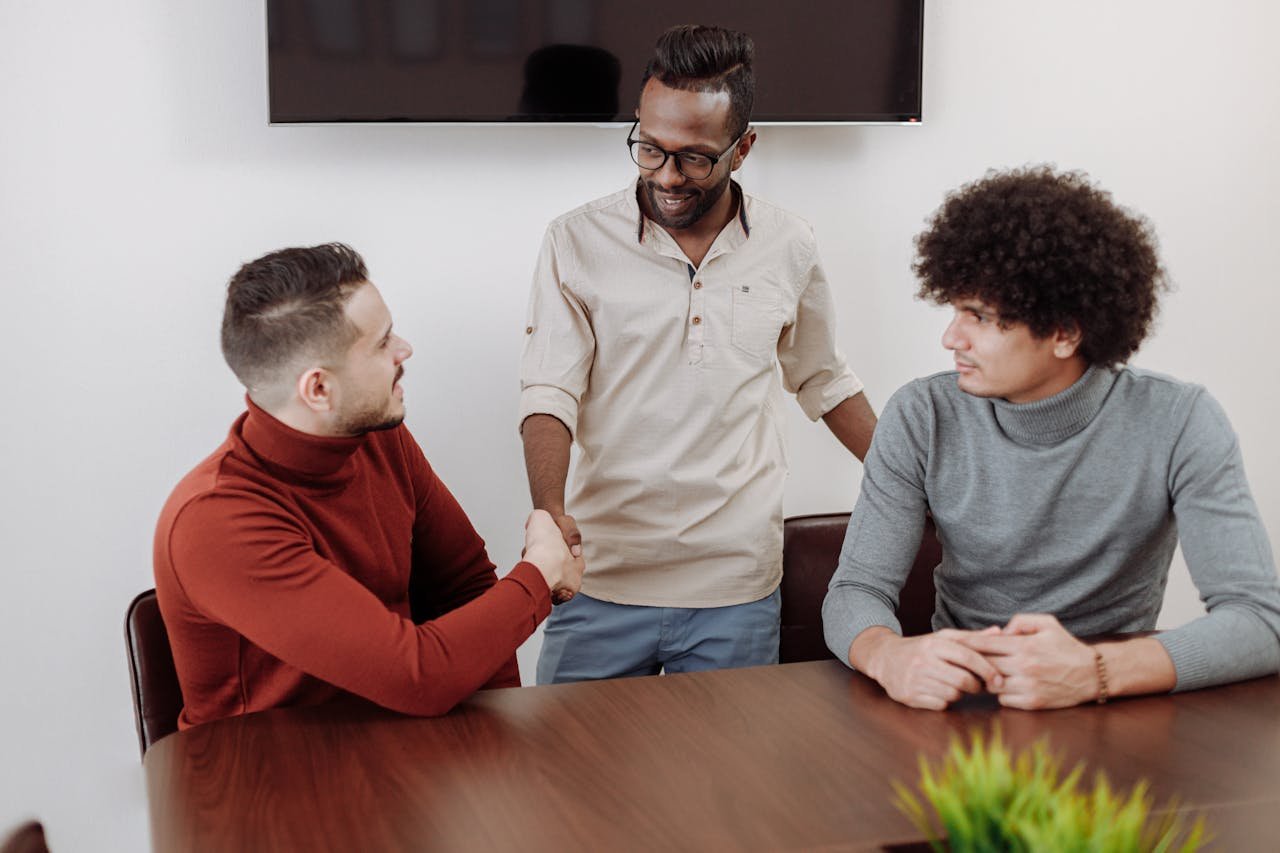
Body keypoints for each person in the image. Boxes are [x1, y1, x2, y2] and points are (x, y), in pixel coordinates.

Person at [822, 166, 1280, 710]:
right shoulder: (922, 414)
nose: (951, 337)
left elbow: (1259, 622)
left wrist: (1094, 672)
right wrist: (887, 655)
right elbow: (856, 591)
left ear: (1064, 332)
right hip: (963, 702)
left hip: (1113, 702)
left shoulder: (1179, 421)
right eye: (954, 309)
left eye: (981, 316)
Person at [520, 25, 877, 683]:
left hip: (735, 587)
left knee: (725, 787)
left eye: (694, 157)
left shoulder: (790, 243)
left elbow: (824, 378)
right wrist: (550, 511)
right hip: (601, 579)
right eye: (649, 149)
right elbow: (550, 392)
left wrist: (911, 481)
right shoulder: (574, 240)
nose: (667, 176)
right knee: (571, 782)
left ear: (743, 148)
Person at [154, 243, 582, 729]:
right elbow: (416, 676)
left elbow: (464, 585)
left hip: (397, 758)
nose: (404, 350)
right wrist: (540, 575)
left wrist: (493, 745)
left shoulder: (380, 439)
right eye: (381, 343)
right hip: (266, 784)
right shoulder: (215, 520)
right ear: (318, 389)